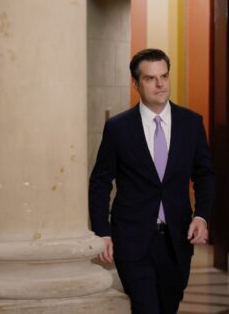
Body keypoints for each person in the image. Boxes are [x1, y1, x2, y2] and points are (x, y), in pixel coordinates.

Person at [89, 48, 215, 314]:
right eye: (150, 78)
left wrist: (201, 216)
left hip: (177, 240)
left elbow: (204, 175)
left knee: (167, 308)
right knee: (147, 309)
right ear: (136, 84)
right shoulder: (118, 128)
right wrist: (102, 231)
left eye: (164, 76)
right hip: (131, 239)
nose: (160, 84)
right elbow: (100, 182)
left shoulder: (191, 123)